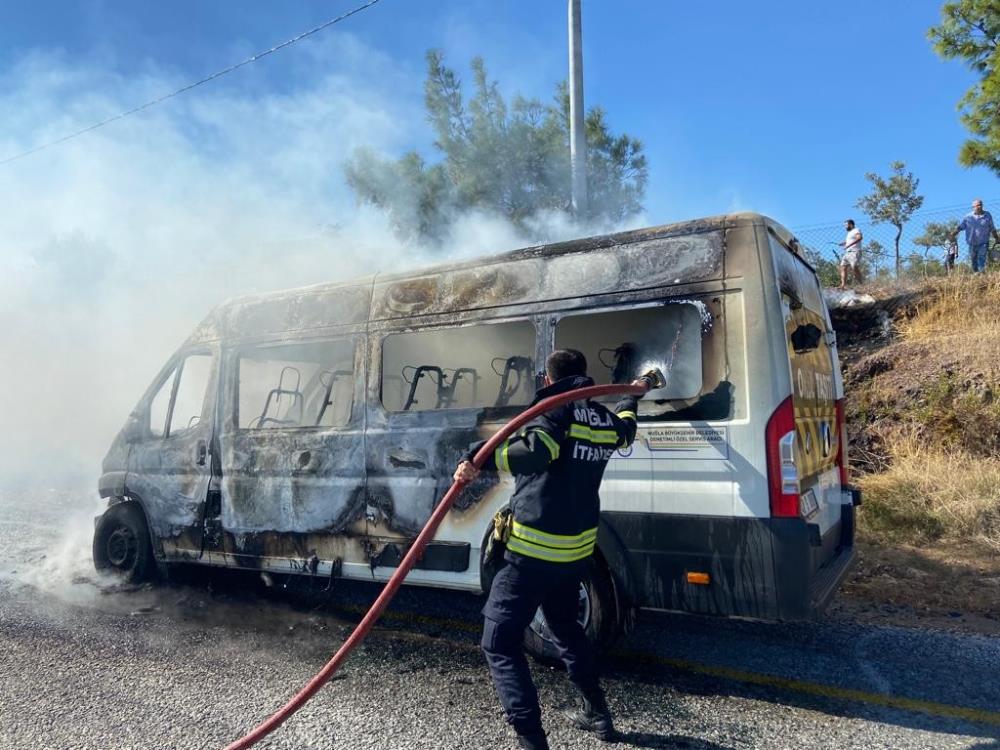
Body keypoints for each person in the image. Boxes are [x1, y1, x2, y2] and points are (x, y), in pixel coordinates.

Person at [453, 349, 650, 750]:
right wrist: (632, 396)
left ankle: (532, 741)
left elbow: (535, 453)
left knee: (499, 642)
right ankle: (597, 714)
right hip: (574, 555)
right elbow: (627, 428)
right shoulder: (600, 417)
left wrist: (480, 460)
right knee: (566, 629)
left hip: (532, 556)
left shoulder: (553, 413)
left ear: (547, 379)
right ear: (584, 377)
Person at [953, 198, 1000, 273]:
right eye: (975, 206)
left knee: (982, 257)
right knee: (973, 259)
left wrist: (996, 238)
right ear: (972, 207)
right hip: (971, 243)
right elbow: (961, 226)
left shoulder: (987, 215)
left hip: (983, 242)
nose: (978, 207)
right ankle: (976, 273)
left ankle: (981, 273)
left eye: (979, 205)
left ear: (982, 206)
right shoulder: (968, 217)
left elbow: (992, 228)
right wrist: (952, 234)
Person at [838, 218, 864, 290]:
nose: (845, 227)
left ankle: (861, 284)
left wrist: (848, 245)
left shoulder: (856, 230)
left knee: (854, 267)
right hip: (847, 252)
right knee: (843, 267)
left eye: (846, 225)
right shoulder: (849, 233)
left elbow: (859, 238)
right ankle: (843, 285)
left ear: (851, 224)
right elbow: (849, 241)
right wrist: (844, 243)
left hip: (854, 251)